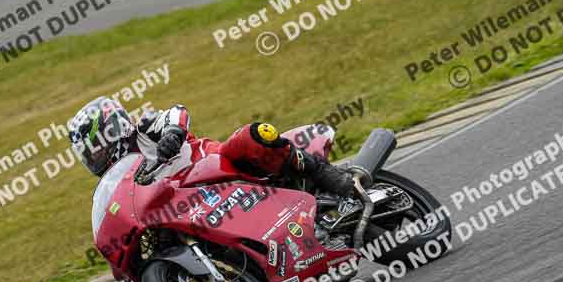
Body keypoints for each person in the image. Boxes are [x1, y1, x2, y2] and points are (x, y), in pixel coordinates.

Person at [66, 96, 355, 196]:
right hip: (192, 206)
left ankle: (330, 177)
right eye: (89, 156)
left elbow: (177, 112)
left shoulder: (145, 129)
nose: (96, 159)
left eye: (97, 149)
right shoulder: (118, 180)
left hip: (220, 167)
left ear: (112, 130)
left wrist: (173, 134)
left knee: (252, 136)